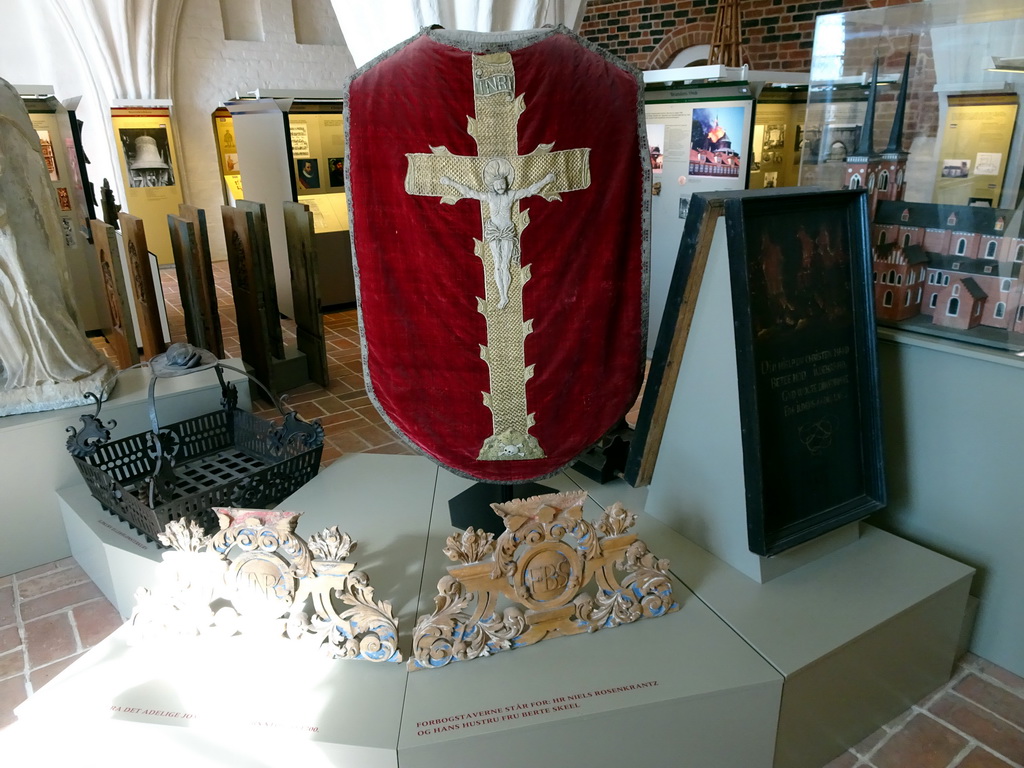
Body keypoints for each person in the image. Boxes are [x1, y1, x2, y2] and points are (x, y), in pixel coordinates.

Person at [441, 158, 554, 309]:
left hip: (507, 231)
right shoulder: (490, 197)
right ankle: (501, 294)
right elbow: (469, 192)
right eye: (498, 184)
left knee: (505, 264)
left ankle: (504, 296)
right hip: (494, 231)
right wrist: (450, 182)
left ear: (507, 183)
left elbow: (530, 191)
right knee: (497, 265)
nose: (501, 186)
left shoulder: (511, 195)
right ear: (492, 185)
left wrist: (546, 180)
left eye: (503, 183)